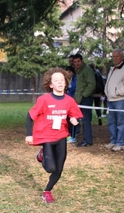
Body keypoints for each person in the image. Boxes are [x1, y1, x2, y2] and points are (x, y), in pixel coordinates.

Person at [25, 67, 83, 203]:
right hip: (47, 138)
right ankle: (42, 153)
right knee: (50, 167)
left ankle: (47, 191)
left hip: (61, 137)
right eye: (56, 80)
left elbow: (76, 118)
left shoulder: (69, 101)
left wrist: (75, 121)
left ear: (66, 83)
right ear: (50, 84)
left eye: (62, 80)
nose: (60, 82)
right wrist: (29, 135)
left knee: (59, 169)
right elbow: (29, 116)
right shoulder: (44, 100)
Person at [104, 49, 124, 152]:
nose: (115, 58)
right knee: (111, 122)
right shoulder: (113, 68)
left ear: (122, 57)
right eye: (113, 56)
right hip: (111, 99)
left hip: (120, 99)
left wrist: (117, 92)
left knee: (120, 122)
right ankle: (113, 140)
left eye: (117, 56)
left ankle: (120, 143)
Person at [73, 54, 96, 147]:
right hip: (80, 99)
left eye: (78, 61)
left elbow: (91, 84)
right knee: (82, 119)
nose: (77, 63)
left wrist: (84, 95)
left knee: (86, 119)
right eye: (75, 62)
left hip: (86, 99)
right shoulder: (78, 71)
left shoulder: (87, 70)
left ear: (82, 61)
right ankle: (85, 138)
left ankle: (87, 140)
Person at [65, 66, 79, 143]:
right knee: (66, 119)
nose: (68, 73)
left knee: (73, 119)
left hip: (73, 101)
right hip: (66, 101)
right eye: (67, 72)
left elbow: (74, 89)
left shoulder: (75, 79)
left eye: (70, 72)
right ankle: (68, 135)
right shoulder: (66, 80)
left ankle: (73, 136)